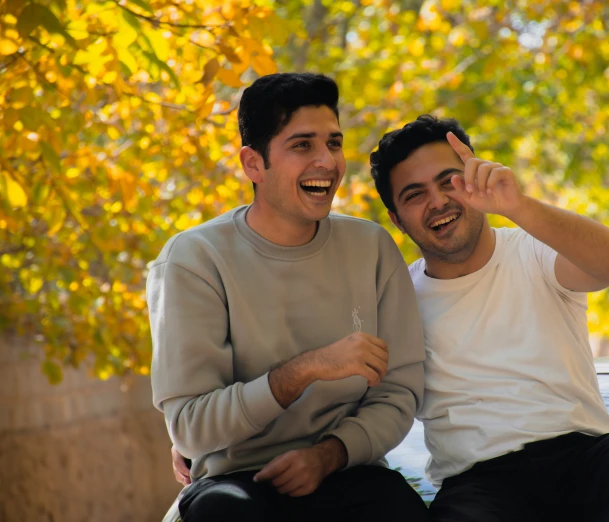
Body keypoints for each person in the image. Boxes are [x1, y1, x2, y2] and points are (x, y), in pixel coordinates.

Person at [367, 115, 609, 522]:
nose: (438, 201)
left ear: (474, 178)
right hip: (480, 486)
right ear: (396, 218)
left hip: (586, 457)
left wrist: (517, 205)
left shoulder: (535, 249)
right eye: (414, 194)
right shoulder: (396, 299)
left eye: (449, 181)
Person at [147, 73, 429, 522]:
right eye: (302, 145)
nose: (326, 161)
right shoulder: (193, 260)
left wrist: (329, 455)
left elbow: (398, 392)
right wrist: (305, 370)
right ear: (253, 164)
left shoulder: (371, 248)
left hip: (349, 472)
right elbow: (191, 427)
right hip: (234, 482)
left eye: (333, 143)